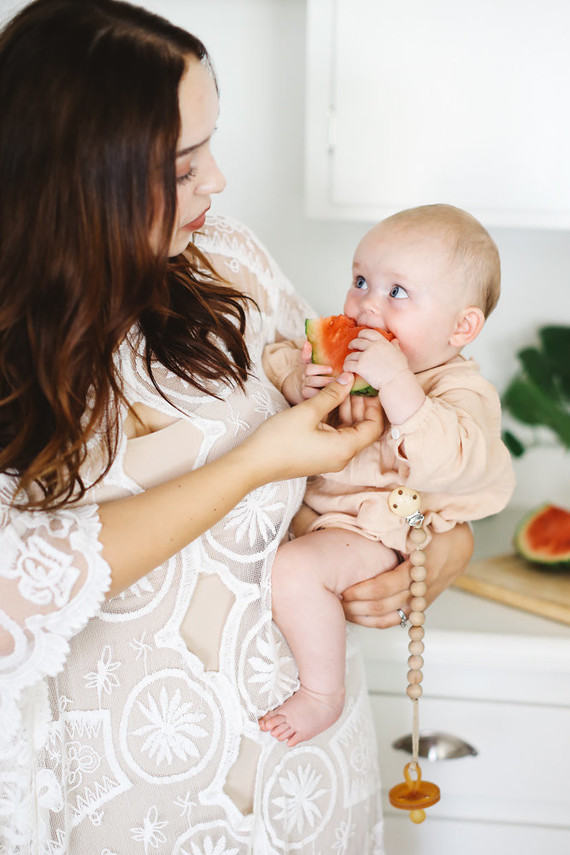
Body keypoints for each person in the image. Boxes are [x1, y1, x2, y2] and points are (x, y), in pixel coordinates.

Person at [0, 2, 474, 852]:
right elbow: (15, 592)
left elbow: (379, 433)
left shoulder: (227, 259)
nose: (216, 180)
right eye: (182, 165)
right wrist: (255, 462)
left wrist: (444, 550)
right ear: (78, 173)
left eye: (209, 146)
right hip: (132, 807)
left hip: (308, 780)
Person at [260, 204, 515, 747]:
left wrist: (398, 385)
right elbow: (276, 356)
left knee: (292, 573)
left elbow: (456, 459)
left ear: (462, 326)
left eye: (397, 292)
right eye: (360, 281)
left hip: (378, 533)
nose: (368, 304)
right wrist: (299, 382)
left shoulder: (461, 390)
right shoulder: (348, 356)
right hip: (320, 519)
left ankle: (322, 694)